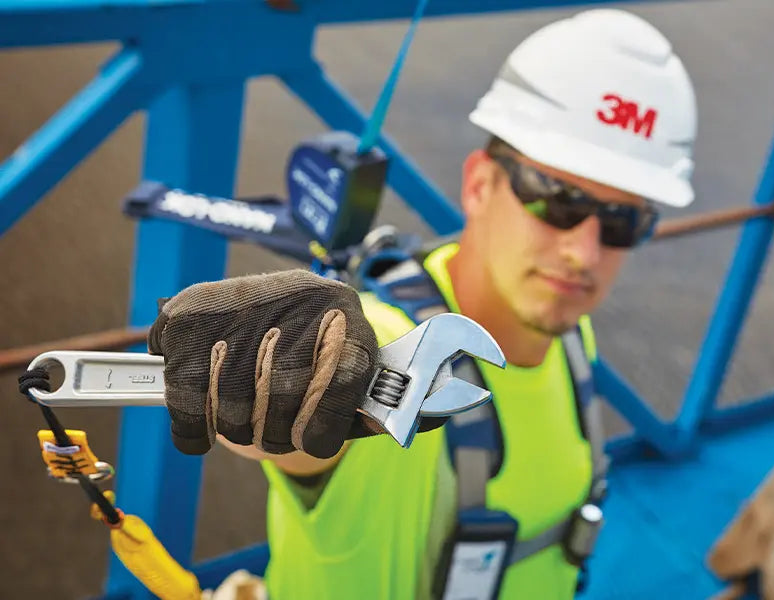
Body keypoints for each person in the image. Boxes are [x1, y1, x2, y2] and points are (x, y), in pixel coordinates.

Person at [147, 8, 698, 599]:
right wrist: (259, 354)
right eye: (556, 200)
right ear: (479, 184)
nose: (583, 253)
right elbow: (293, 416)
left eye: (622, 222)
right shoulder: (381, 348)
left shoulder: (569, 335)